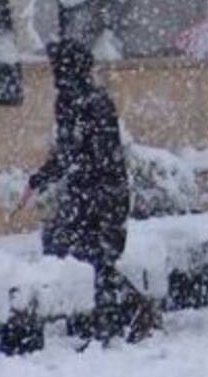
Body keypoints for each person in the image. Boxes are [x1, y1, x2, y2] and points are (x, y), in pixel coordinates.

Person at [17, 37, 156, 344]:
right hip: (85, 194)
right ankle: (107, 319)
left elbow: (94, 154)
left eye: (58, 68)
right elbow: (69, 153)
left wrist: (77, 172)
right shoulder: (67, 102)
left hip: (105, 195)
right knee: (76, 255)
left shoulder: (94, 102)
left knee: (98, 258)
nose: (55, 76)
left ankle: (124, 316)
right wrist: (39, 179)